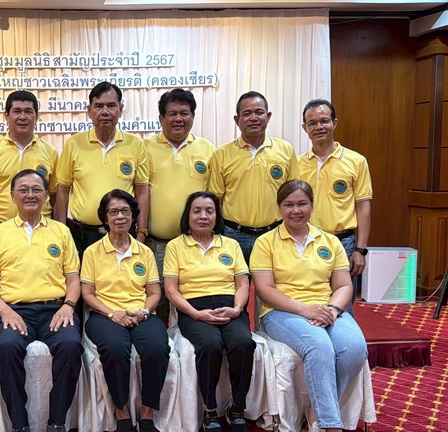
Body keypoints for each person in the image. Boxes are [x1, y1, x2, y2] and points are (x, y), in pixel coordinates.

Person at [252, 180, 367, 432]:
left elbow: (344, 285)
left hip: (328, 309)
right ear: (280, 208)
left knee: (355, 347)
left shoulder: (330, 241)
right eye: (288, 205)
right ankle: (329, 424)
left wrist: (333, 310)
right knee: (319, 345)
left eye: (302, 204)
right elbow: (265, 289)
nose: (296, 210)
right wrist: (304, 310)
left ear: (312, 205)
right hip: (282, 312)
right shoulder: (265, 242)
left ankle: (318, 408)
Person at [0, 169, 82, 432]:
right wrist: (5, 312)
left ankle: (57, 422)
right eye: (23, 190)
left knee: (71, 345)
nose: (30, 195)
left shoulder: (61, 231)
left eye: (36, 189)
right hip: (15, 311)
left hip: (54, 310)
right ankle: (19, 424)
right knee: (7, 347)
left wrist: (68, 306)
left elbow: (73, 279)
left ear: (46, 196)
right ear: (12, 196)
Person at [164, 191, 254, 432]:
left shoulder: (231, 245)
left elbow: (243, 284)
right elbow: (171, 290)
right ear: (188, 215)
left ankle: (237, 407)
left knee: (243, 342)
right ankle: (210, 410)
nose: (203, 216)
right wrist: (195, 314)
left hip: (230, 307)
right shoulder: (175, 246)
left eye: (209, 211)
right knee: (209, 345)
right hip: (194, 309)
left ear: (217, 216)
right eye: (197, 211)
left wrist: (237, 309)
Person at [81, 189, 169, 432]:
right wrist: (112, 313)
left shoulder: (145, 251)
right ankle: (121, 412)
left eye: (125, 211)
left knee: (157, 347)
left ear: (133, 216)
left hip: (141, 314)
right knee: (115, 349)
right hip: (104, 314)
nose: (120, 216)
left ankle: (147, 412)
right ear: (105, 217)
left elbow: (155, 292)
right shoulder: (92, 252)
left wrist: (143, 312)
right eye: (113, 212)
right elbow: (87, 294)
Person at [145, 88, 216, 325]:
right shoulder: (145, 147)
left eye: (184, 113)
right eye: (172, 113)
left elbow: (213, 197)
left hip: (194, 245)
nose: (178, 119)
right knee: (157, 299)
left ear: (193, 116)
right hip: (157, 243)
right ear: (161, 118)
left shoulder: (207, 149)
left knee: (193, 297)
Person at [55, 81, 150, 255]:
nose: (105, 112)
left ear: (120, 109)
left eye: (111, 106)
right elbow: (62, 191)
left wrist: (142, 232)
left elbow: (142, 191)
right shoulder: (74, 144)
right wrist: (62, 233)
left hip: (124, 234)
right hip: (83, 236)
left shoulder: (135, 144)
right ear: (89, 110)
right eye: (98, 106)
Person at [298, 99, 372, 313]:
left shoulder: (356, 161)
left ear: (335, 123)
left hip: (343, 243)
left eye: (324, 121)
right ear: (304, 128)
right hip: (305, 243)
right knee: (307, 301)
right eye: (312, 123)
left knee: (342, 307)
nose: (319, 127)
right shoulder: (297, 163)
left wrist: (361, 250)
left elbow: (363, 207)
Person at [208, 91, 298, 263]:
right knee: (234, 280)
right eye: (247, 113)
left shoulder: (285, 150)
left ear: (268, 116)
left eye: (259, 112)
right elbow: (216, 199)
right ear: (237, 120)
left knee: (276, 279)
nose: (254, 118)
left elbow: (293, 195)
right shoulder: (222, 154)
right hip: (233, 235)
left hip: (275, 234)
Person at [0, 90, 59, 243]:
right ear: (6, 116)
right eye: (17, 111)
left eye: (28, 111)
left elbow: (55, 197)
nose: (22, 117)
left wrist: (59, 230)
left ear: (36, 116)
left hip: (42, 229)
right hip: (1, 230)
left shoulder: (50, 152)